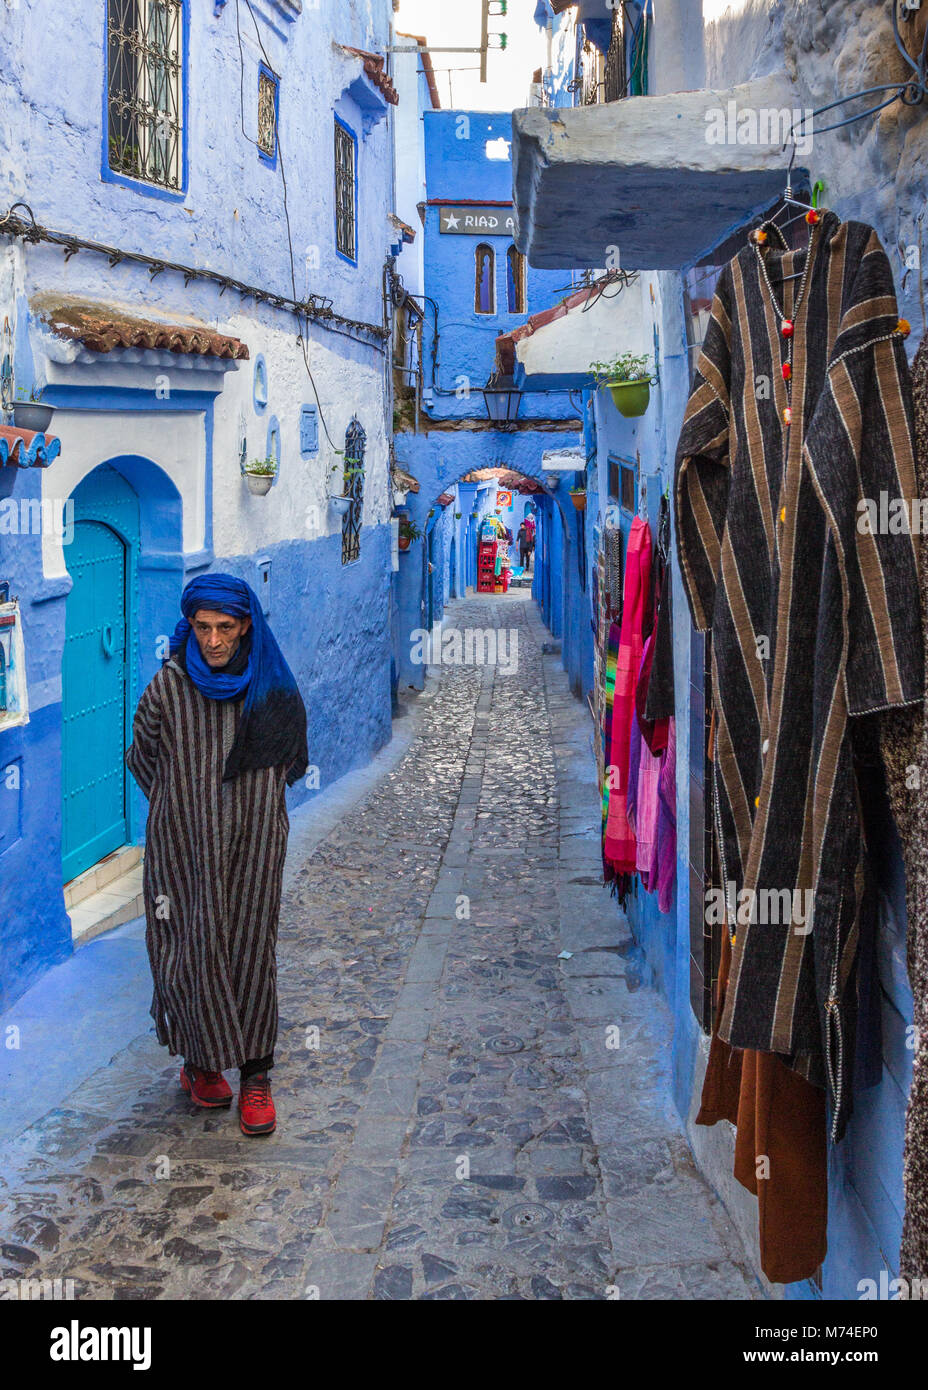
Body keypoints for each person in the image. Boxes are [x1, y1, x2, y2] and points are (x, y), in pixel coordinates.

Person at [126, 574, 308, 1137]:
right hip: (182, 846)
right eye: (202, 628)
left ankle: (257, 1075)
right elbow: (142, 757)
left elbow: (292, 760)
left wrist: (240, 805)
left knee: (251, 945)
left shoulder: (270, 686)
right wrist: (190, 807)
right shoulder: (170, 685)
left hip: (255, 841)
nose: (212, 640)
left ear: (246, 624)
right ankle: (201, 1064)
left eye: (225, 627)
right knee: (188, 945)